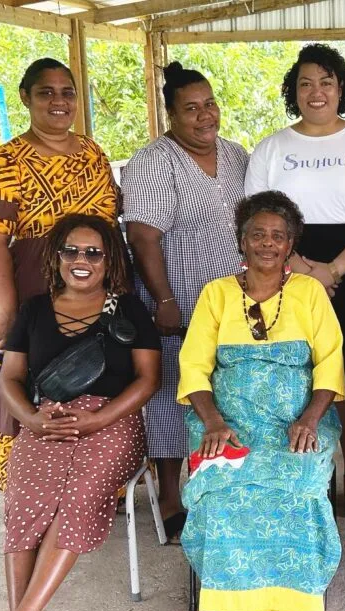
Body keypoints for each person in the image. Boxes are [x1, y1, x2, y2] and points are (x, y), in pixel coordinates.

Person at [0, 214, 160, 611]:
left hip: (112, 420)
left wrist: (98, 417)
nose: (82, 261)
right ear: (57, 256)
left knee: (78, 496)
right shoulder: (35, 310)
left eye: (93, 253)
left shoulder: (130, 310)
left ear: (109, 260)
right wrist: (33, 418)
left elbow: (147, 379)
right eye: (72, 252)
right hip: (47, 419)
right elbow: (11, 378)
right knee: (25, 500)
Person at [245, 43, 345, 515]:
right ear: (294, 92)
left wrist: (332, 270)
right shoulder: (272, 148)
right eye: (306, 83)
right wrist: (295, 263)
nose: (316, 92)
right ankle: (299, 468)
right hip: (284, 265)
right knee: (293, 370)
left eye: (327, 82)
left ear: (342, 89)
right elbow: (260, 218)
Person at [177, 191, 345, 611]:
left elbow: (331, 361)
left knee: (298, 481)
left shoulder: (309, 292)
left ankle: (287, 589)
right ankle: (221, 590)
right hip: (226, 422)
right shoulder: (215, 294)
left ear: (291, 245)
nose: (267, 243)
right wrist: (213, 422)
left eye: (278, 236)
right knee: (222, 484)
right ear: (241, 241)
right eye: (257, 235)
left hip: (298, 420)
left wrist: (310, 418)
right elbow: (194, 364)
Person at [0, 58, 118, 492]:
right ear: (25, 98)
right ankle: (32, 485)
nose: (59, 101)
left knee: (97, 373)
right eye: (46, 92)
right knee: (29, 377)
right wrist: (7, 312)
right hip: (33, 292)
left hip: (97, 290)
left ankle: (96, 483)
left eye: (67, 92)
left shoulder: (92, 154)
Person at [124, 62, 250, 542]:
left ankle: (217, 478)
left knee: (221, 386)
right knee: (171, 390)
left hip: (233, 299)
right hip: (177, 296)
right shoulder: (154, 161)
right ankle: (170, 495)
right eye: (191, 108)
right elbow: (142, 234)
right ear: (170, 115)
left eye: (210, 104)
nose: (204, 116)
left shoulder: (237, 155)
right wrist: (163, 299)